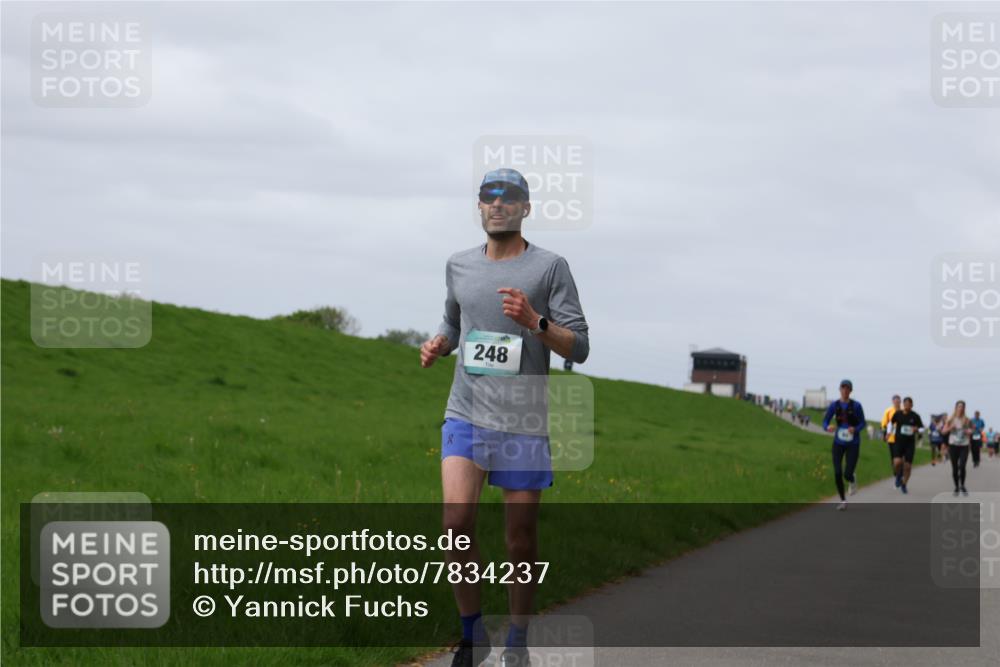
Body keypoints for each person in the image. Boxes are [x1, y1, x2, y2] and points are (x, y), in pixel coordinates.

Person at [421, 168, 590, 667]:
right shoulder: (458, 266)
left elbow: (579, 346)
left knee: (519, 538)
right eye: (488, 197)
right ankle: (473, 636)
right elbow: (454, 322)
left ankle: (517, 640)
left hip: (522, 420)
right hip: (465, 411)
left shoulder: (550, 267)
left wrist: (534, 322)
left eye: (509, 197)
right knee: (455, 525)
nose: (497, 205)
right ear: (479, 207)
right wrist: (439, 343)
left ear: (525, 208)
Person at [822, 380, 866, 510]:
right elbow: (825, 421)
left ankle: (852, 479)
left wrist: (855, 429)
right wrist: (827, 427)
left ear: (850, 391)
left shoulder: (857, 406)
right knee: (837, 472)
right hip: (838, 443)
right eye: (843, 388)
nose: (845, 390)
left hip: (853, 443)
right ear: (839, 389)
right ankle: (843, 500)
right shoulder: (834, 405)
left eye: (847, 388)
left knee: (847, 474)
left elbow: (863, 423)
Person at [890, 397, 923, 494]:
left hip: (909, 444)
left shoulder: (915, 416)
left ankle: (904, 484)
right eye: (905, 404)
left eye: (909, 404)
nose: (907, 405)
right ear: (903, 405)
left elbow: (922, 429)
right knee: (897, 462)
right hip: (898, 442)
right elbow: (891, 423)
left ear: (912, 405)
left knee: (908, 466)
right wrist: (888, 433)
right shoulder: (898, 414)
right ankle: (898, 476)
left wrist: (916, 429)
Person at [941, 400, 973, 496]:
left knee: (962, 466)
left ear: (964, 408)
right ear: (956, 408)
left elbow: (971, 431)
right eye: (959, 406)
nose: (961, 408)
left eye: (962, 406)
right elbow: (943, 432)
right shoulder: (950, 420)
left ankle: (962, 485)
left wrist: (967, 431)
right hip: (953, 446)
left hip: (964, 445)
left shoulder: (967, 420)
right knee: (955, 468)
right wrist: (950, 428)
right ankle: (956, 487)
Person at [881, 394, 902, 487]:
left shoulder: (903, 411)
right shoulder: (888, 411)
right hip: (891, 438)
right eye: (895, 401)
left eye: (898, 401)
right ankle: (896, 473)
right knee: (894, 458)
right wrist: (884, 434)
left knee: (901, 459)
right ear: (893, 401)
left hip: (902, 439)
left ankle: (899, 475)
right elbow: (884, 424)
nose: (897, 403)